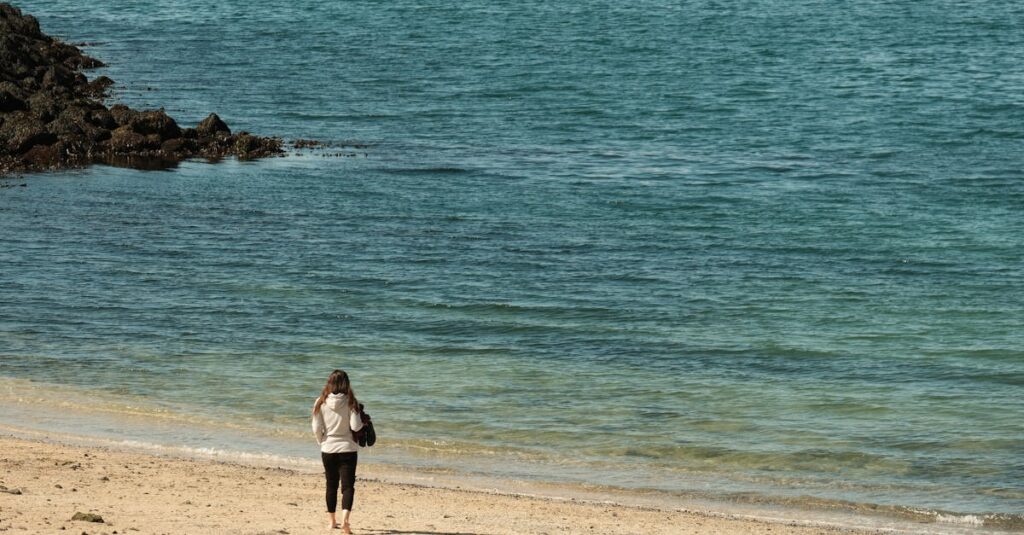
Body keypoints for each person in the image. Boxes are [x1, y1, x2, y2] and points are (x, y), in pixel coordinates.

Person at [312, 369, 364, 532]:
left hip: (328, 449)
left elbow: (316, 428)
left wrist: (322, 442)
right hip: (348, 449)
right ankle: (345, 521)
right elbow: (355, 426)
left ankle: (332, 521)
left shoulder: (320, 402)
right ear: (346, 384)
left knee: (331, 485)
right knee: (348, 487)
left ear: (329, 383)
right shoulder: (351, 401)